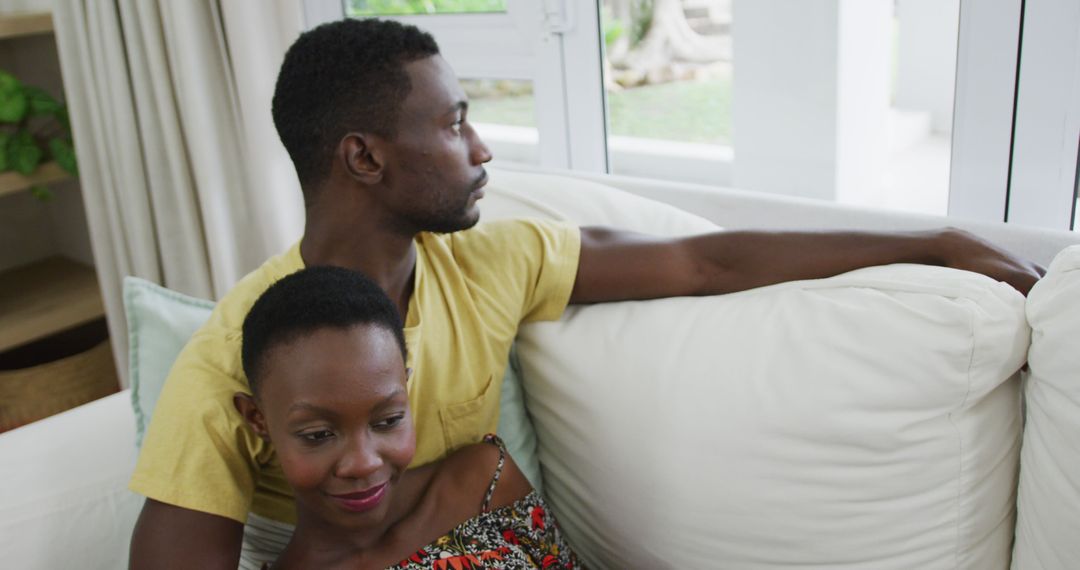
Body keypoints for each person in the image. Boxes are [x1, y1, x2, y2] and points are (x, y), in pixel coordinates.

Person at [128, 18, 1042, 569]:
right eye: (453, 124)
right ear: (364, 157)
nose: (482, 150)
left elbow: (703, 263)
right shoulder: (233, 358)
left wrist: (933, 239)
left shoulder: (490, 262)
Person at [234, 266, 579, 569]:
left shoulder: (482, 483)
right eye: (318, 434)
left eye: (387, 421)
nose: (364, 463)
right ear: (258, 420)